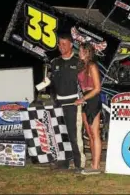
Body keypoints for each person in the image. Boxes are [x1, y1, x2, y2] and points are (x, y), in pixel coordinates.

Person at [49, 33, 86, 173]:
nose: (61, 47)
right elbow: (49, 82)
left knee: (74, 135)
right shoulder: (54, 62)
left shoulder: (78, 62)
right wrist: (38, 89)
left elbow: (85, 83)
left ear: (71, 45)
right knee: (60, 134)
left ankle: (79, 164)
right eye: (59, 44)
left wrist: (83, 99)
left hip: (73, 103)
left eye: (64, 44)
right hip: (58, 103)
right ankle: (63, 162)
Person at [74, 43, 102, 175]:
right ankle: (93, 163)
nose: (78, 53)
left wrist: (83, 99)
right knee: (89, 133)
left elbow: (97, 88)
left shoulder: (92, 66)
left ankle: (96, 166)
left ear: (87, 52)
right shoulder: (82, 66)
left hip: (92, 99)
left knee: (94, 132)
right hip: (85, 99)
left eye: (80, 51)